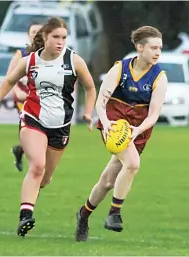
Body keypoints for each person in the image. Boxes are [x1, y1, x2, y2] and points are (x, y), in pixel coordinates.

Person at [0, 17, 97, 237]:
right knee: (37, 166)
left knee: (44, 178)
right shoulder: (30, 60)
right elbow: (9, 81)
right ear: (45, 37)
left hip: (61, 126)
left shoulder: (74, 61)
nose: (60, 41)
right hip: (33, 119)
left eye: (64, 37)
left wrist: (89, 113)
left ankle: (30, 193)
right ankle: (26, 215)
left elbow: (90, 87)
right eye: (56, 37)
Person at [74, 26, 168, 242]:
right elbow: (101, 101)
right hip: (114, 126)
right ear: (139, 47)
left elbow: (153, 115)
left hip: (138, 130)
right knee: (133, 164)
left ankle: (83, 214)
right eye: (153, 47)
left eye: (160, 48)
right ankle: (114, 213)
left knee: (107, 181)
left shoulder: (159, 77)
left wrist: (138, 130)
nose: (157, 52)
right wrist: (106, 123)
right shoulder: (120, 69)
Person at [9, 21, 43, 172]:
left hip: (43, 100)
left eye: (39, 31)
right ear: (28, 35)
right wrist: (17, 90)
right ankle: (35, 167)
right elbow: (10, 76)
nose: (36, 34)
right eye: (33, 31)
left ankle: (20, 150)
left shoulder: (48, 55)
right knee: (32, 130)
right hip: (24, 99)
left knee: (43, 132)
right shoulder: (21, 54)